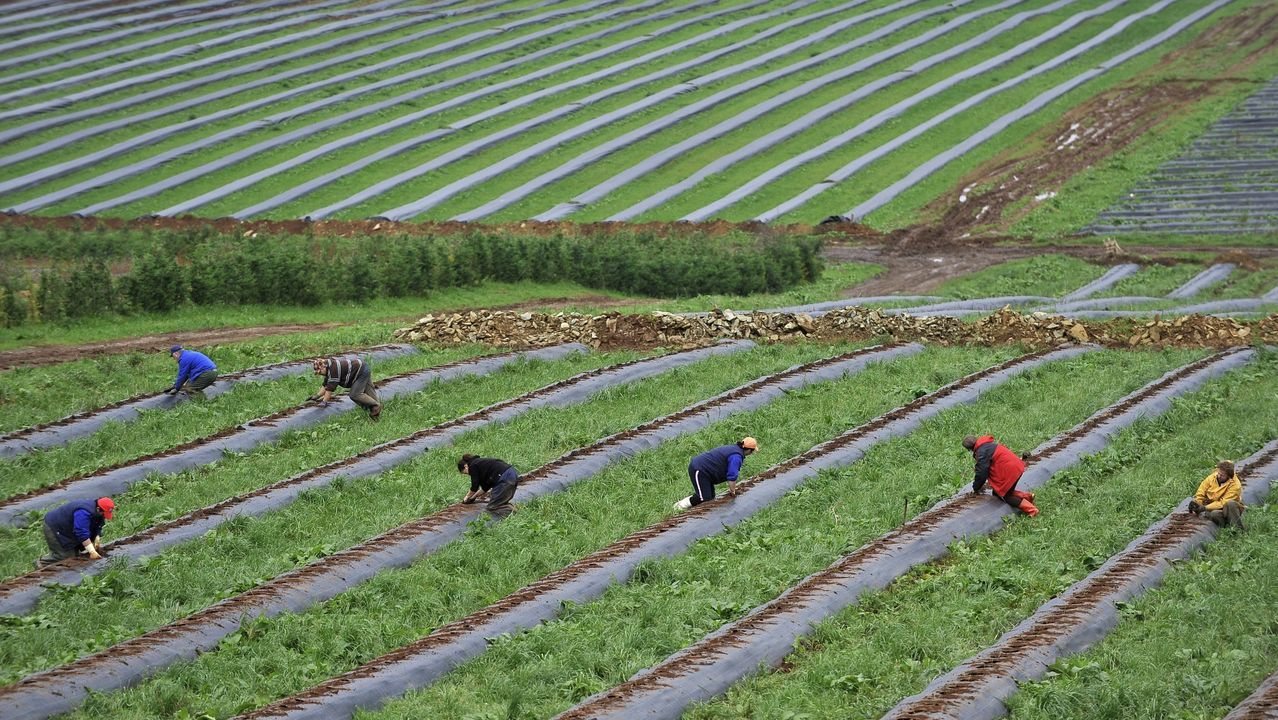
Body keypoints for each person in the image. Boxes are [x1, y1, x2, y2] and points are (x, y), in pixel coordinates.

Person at [674, 437, 758, 510]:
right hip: (699, 469)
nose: (751, 453)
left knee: (710, 499)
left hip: (708, 473)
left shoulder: (735, 449)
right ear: (749, 450)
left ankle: (689, 508)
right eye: (752, 451)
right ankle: (679, 506)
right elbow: (732, 476)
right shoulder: (736, 456)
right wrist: (733, 491)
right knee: (703, 498)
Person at [964, 435, 1039, 517]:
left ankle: (1032, 510)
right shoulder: (987, 445)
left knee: (1006, 496)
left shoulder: (982, 452)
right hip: (1015, 465)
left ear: (970, 449)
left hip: (1010, 470)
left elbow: (982, 473)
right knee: (997, 492)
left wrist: (976, 488)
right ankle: (1028, 496)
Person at [37, 497, 114, 569]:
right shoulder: (83, 512)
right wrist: (92, 551)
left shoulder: (98, 512)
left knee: (76, 553)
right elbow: (81, 532)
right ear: (98, 509)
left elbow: (98, 525)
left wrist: (96, 540)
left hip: (68, 528)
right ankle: (42, 562)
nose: (104, 516)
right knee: (66, 557)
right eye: (104, 514)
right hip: (55, 527)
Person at [311, 355, 382, 420]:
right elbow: (325, 385)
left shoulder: (333, 370)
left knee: (355, 394)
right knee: (369, 392)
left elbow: (330, 389)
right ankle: (375, 410)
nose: (320, 374)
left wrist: (324, 402)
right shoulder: (329, 368)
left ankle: (375, 406)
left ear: (323, 367)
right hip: (362, 367)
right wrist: (317, 396)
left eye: (320, 372)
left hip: (360, 371)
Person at [459, 454, 519, 519]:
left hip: (504, 477)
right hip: (511, 474)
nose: (468, 474)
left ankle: (514, 512)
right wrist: (473, 498)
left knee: (492, 507)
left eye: (465, 473)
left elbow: (474, 487)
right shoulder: (480, 464)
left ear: (465, 466)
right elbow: (485, 488)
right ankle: (513, 512)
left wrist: (466, 497)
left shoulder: (473, 466)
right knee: (500, 501)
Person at [1189, 460, 1244, 530]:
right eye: (1219, 473)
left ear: (1229, 476)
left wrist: (1205, 508)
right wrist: (1197, 503)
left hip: (1228, 509)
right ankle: (1225, 528)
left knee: (1230, 503)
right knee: (1214, 514)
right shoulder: (1213, 477)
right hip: (1215, 508)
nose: (1219, 476)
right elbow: (1201, 491)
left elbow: (1223, 503)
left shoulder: (1235, 485)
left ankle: (1237, 529)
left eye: (1222, 475)